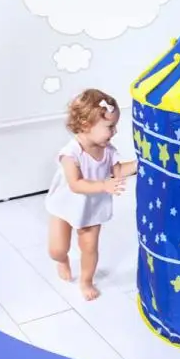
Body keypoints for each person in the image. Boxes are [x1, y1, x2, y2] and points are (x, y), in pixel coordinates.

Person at [46, 89, 136, 300]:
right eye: (109, 127)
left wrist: (139, 164)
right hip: (65, 206)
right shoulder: (71, 154)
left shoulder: (108, 150)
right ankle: (62, 260)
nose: (114, 132)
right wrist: (104, 185)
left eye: (115, 126)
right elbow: (75, 184)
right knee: (57, 250)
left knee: (89, 247)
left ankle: (86, 281)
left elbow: (118, 171)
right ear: (86, 125)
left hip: (91, 208)